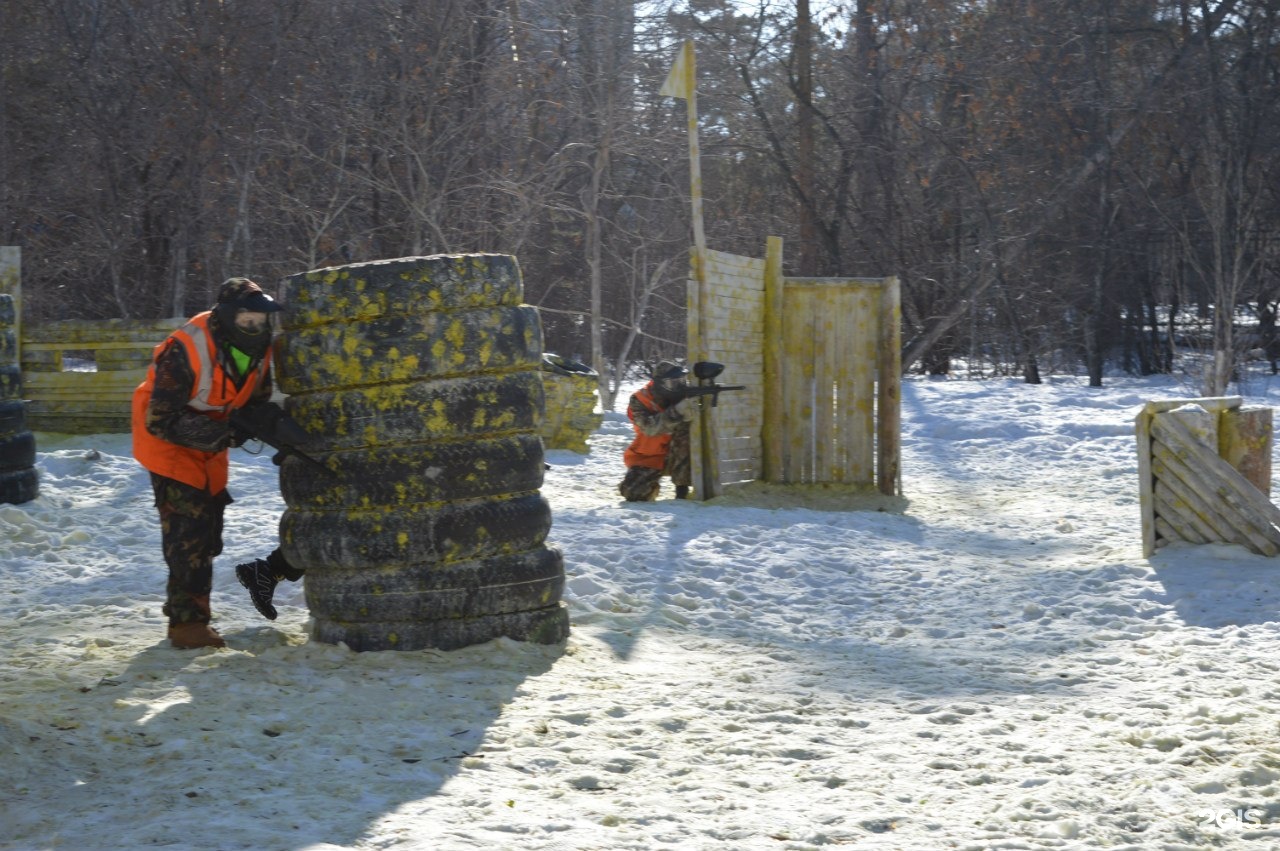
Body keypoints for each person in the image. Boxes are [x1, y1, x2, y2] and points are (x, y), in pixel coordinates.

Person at [131, 278, 303, 649]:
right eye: (247, 321)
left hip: (210, 444)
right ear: (227, 318)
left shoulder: (260, 350)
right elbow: (161, 419)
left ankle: (184, 605)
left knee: (209, 533)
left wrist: (273, 425)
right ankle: (187, 625)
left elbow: (253, 400)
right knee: (187, 531)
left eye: (261, 320)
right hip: (166, 442)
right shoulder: (185, 349)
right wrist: (224, 434)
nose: (256, 328)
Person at [618, 360, 697, 501]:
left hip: (683, 456)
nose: (679, 386)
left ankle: (682, 490)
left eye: (681, 381)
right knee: (632, 492)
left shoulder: (687, 395)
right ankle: (651, 486)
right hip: (651, 456)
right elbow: (650, 428)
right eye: (673, 383)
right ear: (659, 384)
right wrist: (677, 411)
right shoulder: (640, 400)